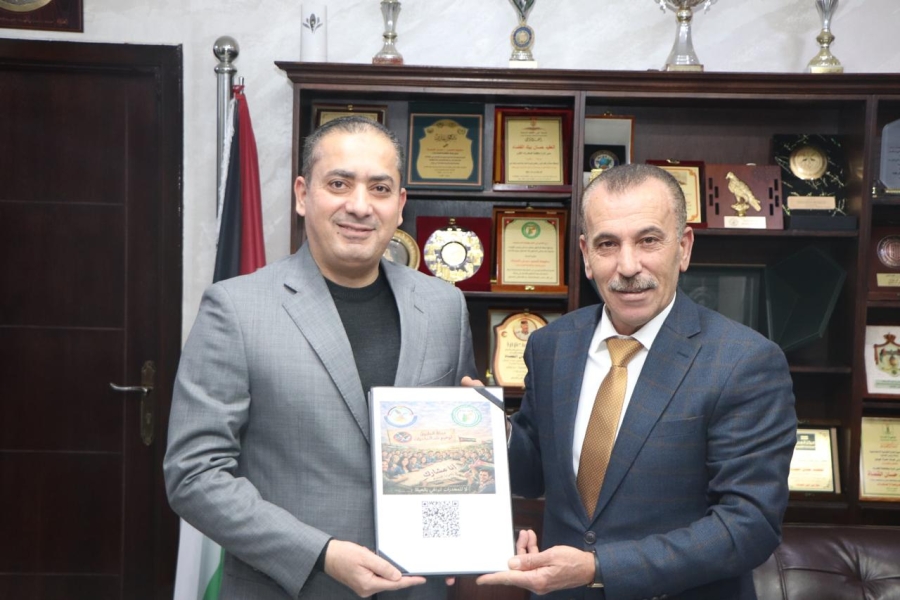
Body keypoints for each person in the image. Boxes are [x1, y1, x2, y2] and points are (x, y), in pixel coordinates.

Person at [164, 116, 477, 600]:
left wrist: (459, 534)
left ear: (399, 206)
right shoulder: (236, 308)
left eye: (379, 188)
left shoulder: (444, 307)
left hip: (417, 590)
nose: (360, 205)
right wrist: (322, 553)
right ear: (302, 194)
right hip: (288, 589)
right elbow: (194, 474)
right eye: (339, 184)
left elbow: (456, 450)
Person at [478, 164, 797, 599]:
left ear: (683, 248)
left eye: (648, 241)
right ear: (586, 255)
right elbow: (535, 474)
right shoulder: (552, 345)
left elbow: (748, 527)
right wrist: (490, 428)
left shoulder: (744, 361)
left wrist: (598, 568)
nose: (628, 266)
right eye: (608, 244)